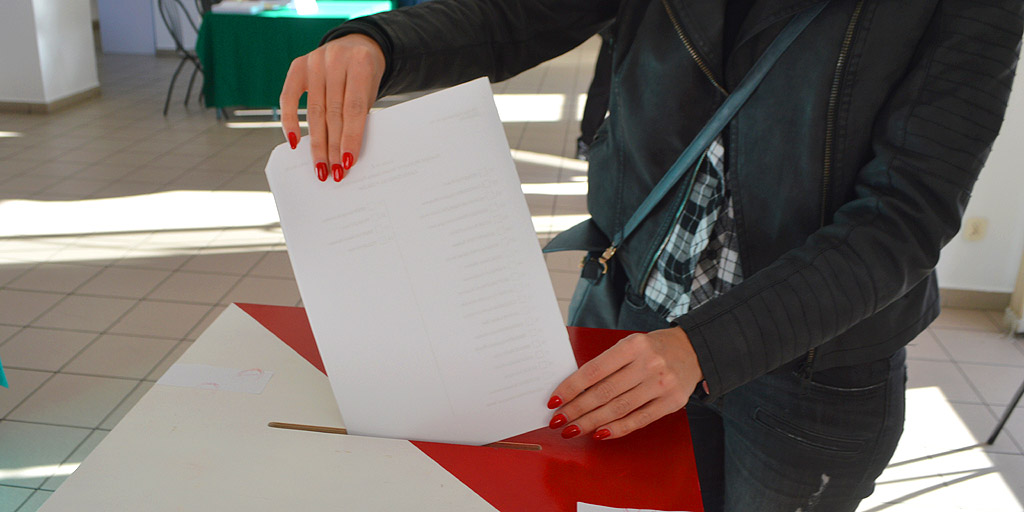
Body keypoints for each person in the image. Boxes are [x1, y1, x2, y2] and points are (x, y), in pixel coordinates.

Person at [279, 1, 1023, 510]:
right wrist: (382, 43)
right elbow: (517, 15)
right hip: (631, 316)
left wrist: (706, 347)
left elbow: (902, 218)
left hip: (812, 374)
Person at [576, 24, 614, 161]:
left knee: (603, 88)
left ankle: (587, 142)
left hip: (644, 37)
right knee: (602, 89)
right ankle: (587, 141)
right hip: (617, 35)